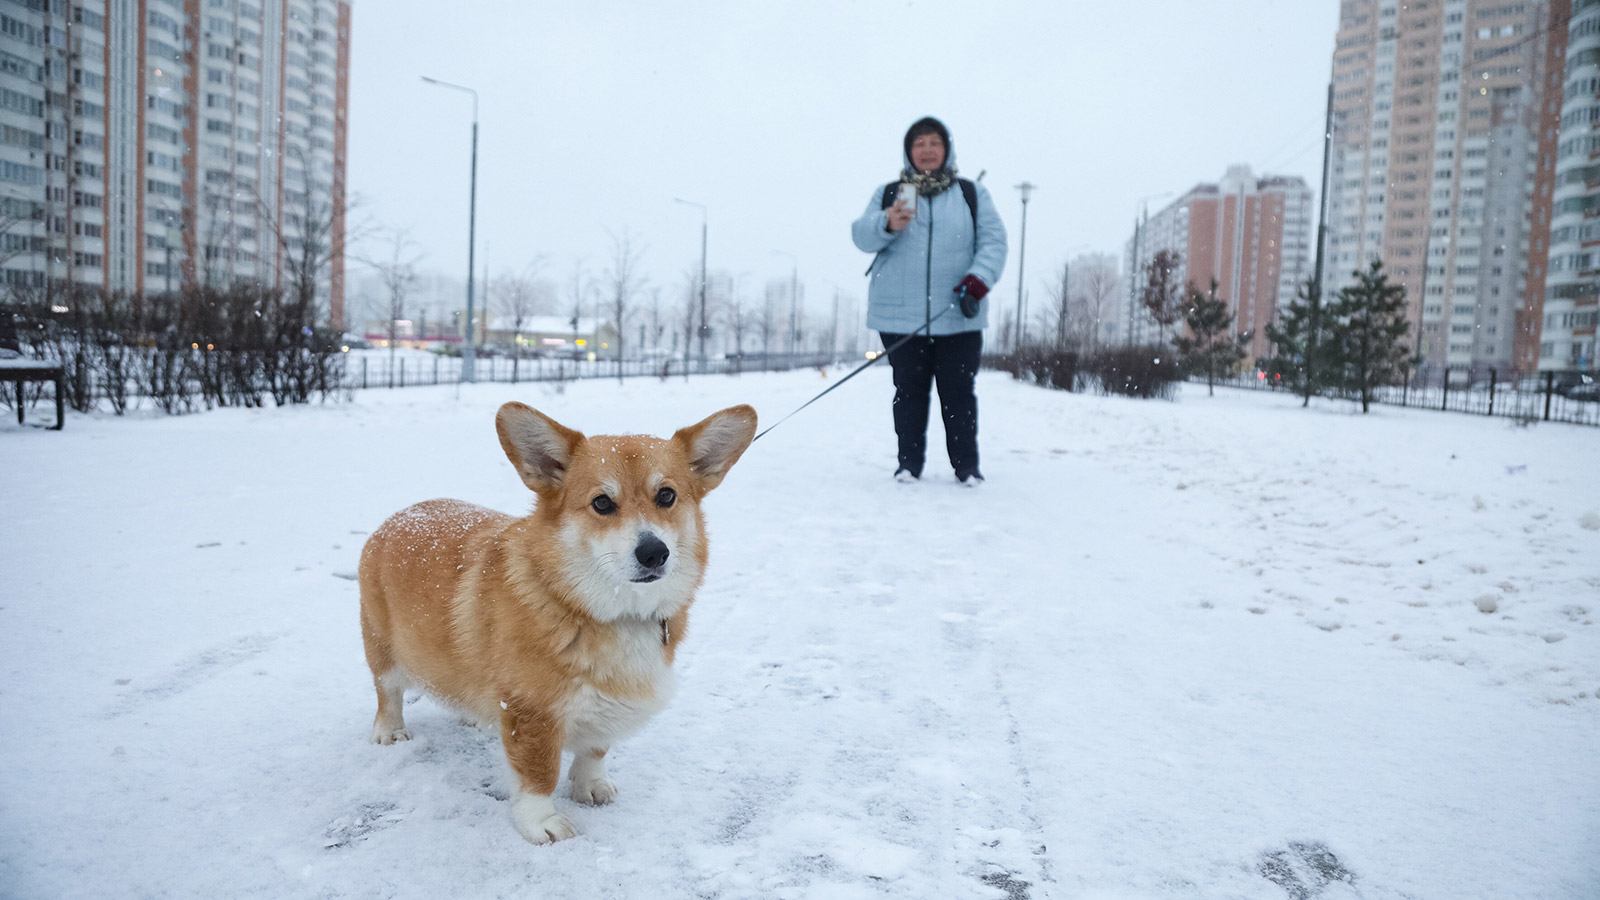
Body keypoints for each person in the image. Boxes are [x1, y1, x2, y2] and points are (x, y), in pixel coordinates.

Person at [851, 116, 1008, 485]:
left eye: (934, 143)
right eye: (919, 143)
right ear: (909, 152)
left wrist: (977, 281)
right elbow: (861, 237)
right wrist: (887, 223)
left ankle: (966, 468)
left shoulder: (971, 194)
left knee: (959, 393)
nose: (927, 150)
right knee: (908, 391)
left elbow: (993, 242)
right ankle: (909, 465)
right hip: (900, 317)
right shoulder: (890, 193)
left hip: (958, 314)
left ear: (946, 149)